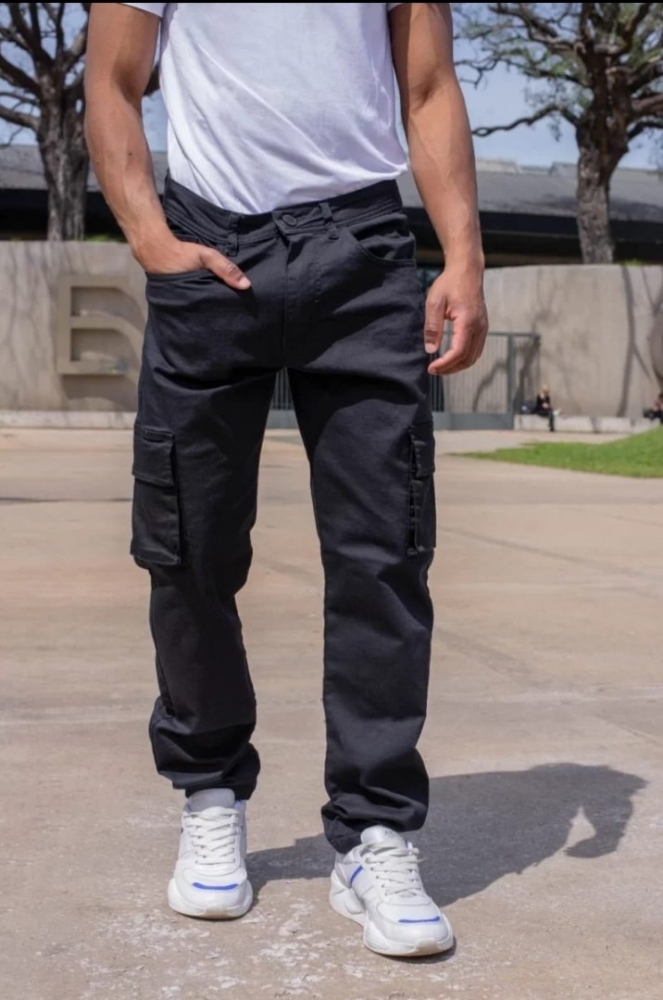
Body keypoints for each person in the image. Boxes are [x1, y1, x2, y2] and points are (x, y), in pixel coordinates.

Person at [84, 2, 488, 958]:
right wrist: (150, 238)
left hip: (363, 254)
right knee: (187, 547)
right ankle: (209, 793)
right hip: (209, 247)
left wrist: (464, 255)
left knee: (384, 552)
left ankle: (375, 833)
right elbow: (112, 79)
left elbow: (428, 85)